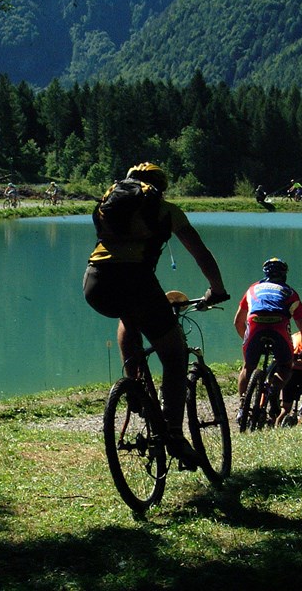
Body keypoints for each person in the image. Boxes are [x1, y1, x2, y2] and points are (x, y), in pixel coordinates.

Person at [83, 162, 228, 469]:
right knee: (175, 355)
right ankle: (174, 434)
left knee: (128, 315)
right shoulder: (167, 210)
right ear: (159, 188)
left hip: (95, 282)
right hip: (137, 281)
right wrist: (216, 288)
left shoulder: (110, 205)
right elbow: (200, 252)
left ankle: (132, 383)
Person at [234, 258, 302, 423]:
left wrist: (247, 339)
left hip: (255, 325)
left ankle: (243, 407)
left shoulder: (252, 289)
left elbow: (237, 322)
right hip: (278, 327)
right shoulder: (290, 293)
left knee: (248, 367)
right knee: (286, 366)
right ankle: (272, 391)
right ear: (284, 274)